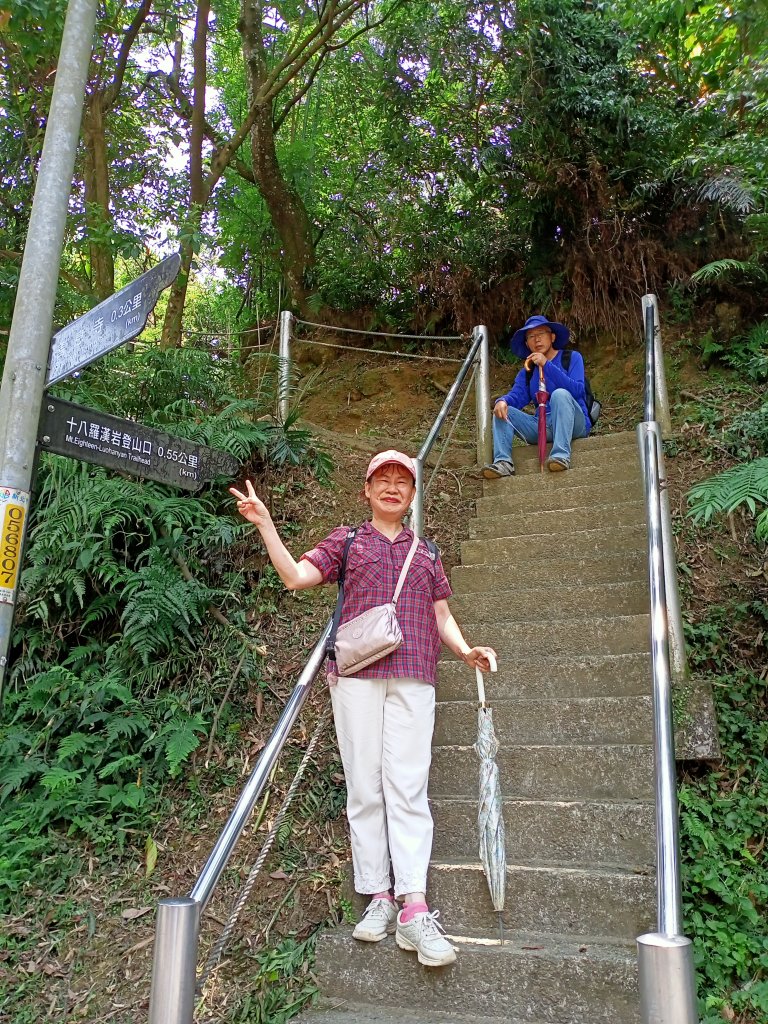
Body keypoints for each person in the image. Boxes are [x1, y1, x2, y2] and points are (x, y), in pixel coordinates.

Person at [230, 450, 496, 969]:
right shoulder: (348, 541)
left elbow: (441, 614)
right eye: (383, 480)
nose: (393, 487)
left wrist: (464, 650)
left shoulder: (428, 553)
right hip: (355, 676)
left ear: (413, 495)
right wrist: (265, 525)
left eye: (403, 481)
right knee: (365, 786)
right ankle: (378, 895)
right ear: (367, 491)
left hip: (416, 675)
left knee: (408, 786)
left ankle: (413, 905)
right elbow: (297, 578)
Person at [483, 314, 591, 477]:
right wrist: (503, 400)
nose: (537, 340)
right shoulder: (527, 371)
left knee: (559, 394)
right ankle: (503, 462)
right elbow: (517, 396)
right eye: (531, 336)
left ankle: (561, 456)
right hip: (542, 424)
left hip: (574, 422)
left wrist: (546, 365)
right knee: (503, 410)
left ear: (552, 336)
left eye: (541, 334)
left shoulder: (571, 358)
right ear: (527, 343)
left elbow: (577, 390)